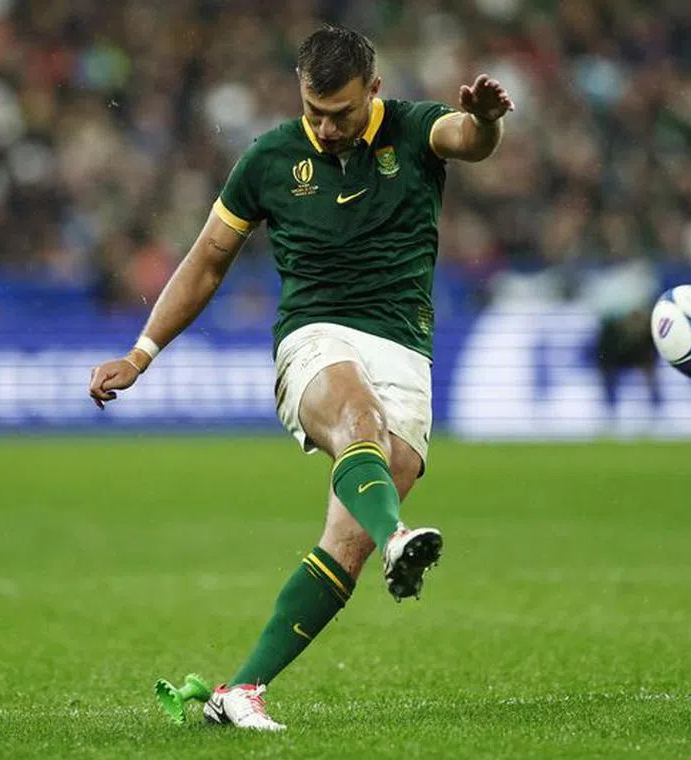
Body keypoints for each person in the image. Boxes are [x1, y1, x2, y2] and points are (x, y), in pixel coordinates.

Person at [87, 25, 513, 731]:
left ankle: (239, 692)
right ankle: (399, 537)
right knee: (358, 422)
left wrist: (488, 122)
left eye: (341, 113)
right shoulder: (270, 158)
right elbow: (208, 260)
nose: (326, 126)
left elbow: (465, 138)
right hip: (315, 337)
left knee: (344, 546)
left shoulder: (413, 128)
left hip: (405, 350)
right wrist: (141, 353)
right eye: (314, 110)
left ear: (374, 91)